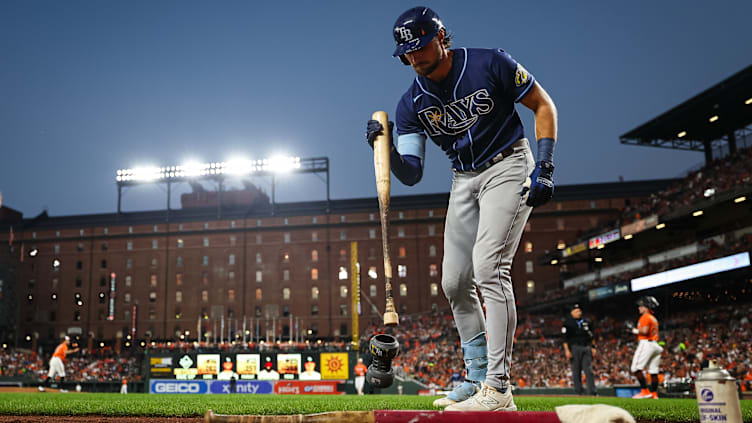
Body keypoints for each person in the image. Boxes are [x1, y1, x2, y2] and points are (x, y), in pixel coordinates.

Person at [366, 6, 557, 412]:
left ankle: (499, 388)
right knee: (454, 282)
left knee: (489, 268)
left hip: (509, 164)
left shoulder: (490, 62)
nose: (414, 57)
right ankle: (474, 379)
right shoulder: (411, 104)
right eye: (407, 52)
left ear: (441, 37)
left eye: (420, 46)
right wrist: (384, 150)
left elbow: (544, 106)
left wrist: (545, 165)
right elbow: (412, 173)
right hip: (464, 178)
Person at [630, 296, 662, 399]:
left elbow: (644, 331)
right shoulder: (653, 318)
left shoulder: (645, 316)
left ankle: (645, 391)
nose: (639, 308)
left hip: (646, 343)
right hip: (655, 345)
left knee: (635, 368)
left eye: (641, 306)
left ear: (646, 307)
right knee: (653, 371)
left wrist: (633, 330)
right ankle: (654, 394)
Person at [562, 304, 596, 395]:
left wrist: (593, 347)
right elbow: (564, 339)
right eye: (576, 311)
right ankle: (579, 391)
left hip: (586, 347)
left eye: (579, 311)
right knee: (576, 370)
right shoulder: (568, 323)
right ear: (572, 312)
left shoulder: (587, 321)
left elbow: (592, 336)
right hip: (574, 347)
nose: (579, 313)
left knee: (588, 370)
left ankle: (592, 391)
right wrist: (567, 350)